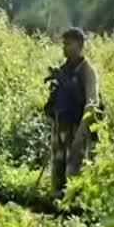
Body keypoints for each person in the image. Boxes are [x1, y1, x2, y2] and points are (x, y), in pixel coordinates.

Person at [44, 27, 101, 200]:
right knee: (57, 169)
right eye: (64, 44)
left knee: (73, 172)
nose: (64, 48)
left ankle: (71, 211)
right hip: (60, 126)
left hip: (77, 128)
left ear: (80, 45)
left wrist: (81, 133)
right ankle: (55, 207)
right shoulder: (64, 69)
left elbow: (92, 102)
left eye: (68, 44)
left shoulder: (87, 71)